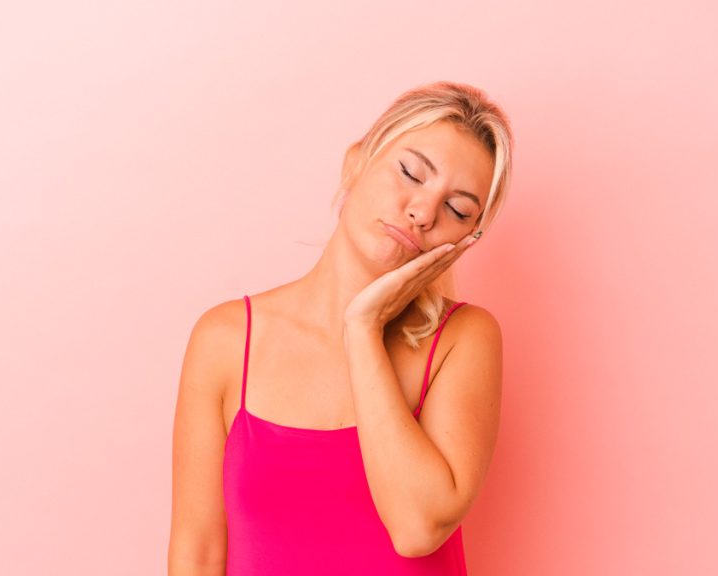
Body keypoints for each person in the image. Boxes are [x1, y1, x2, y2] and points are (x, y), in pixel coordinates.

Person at [168, 80, 513, 575]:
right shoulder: (226, 339)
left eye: (457, 210)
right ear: (357, 161)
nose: (422, 212)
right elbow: (197, 553)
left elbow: (418, 528)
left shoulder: (464, 339)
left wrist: (363, 328)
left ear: (465, 239)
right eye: (411, 173)